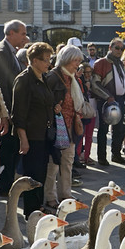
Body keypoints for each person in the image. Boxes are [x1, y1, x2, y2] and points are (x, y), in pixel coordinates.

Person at [12, 42, 57, 216]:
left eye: (49, 59)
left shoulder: (43, 77)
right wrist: (23, 139)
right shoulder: (23, 79)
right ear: (34, 60)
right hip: (31, 135)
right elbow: (18, 113)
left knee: (42, 172)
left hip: (44, 134)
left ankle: (39, 206)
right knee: (32, 173)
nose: (48, 63)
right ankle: (31, 210)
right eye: (45, 60)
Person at [0, 20, 28, 193]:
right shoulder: (1, 53)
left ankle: (8, 184)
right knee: (8, 149)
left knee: (11, 149)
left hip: (11, 111)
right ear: (10, 33)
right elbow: (1, 87)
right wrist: (5, 114)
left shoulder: (11, 51)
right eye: (22, 33)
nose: (25, 37)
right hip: (7, 113)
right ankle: (5, 187)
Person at [44, 45, 83, 209]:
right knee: (53, 164)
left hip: (70, 128)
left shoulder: (73, 79)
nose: (78, 64)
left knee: (67, 163)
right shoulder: (53, 77)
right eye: (76, 60)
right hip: (57, 128)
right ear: (66, 59)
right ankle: (50, 197)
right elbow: (45, 101)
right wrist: (54, 107)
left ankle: (65, 194)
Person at [92, 38, 125, 166]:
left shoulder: (119, 63)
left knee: (119, 129)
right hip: (105, 100)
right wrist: (108, 97)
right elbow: (95, 84)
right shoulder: (101, 63)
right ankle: (102, 157)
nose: (119, 51)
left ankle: (116, 154)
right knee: (103, 130)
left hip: (119, 99)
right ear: (110, 47)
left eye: (121, 48)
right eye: (117, 48)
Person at [75, 62, 97, 168]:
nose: (87, 74)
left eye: (89, 72)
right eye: (85, 72)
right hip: (82, 111)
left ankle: (87, 156)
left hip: (91, 111)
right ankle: (78, 156)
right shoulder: (79, 81)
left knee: (89, 135)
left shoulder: (93, 82)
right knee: (80, 135)